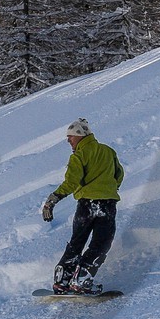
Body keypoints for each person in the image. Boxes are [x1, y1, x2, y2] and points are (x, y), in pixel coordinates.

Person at [42, 118, 125, 294]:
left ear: (80, 136)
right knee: (101, 243)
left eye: (70, 137)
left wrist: (52, 200)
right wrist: (109, 189)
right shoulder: (108, 152)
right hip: (107, 206)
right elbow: (119, 174)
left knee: (77, 242)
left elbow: (71, 182)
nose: (68, 141)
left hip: (85, 206)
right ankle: (81, 281)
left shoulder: (79, 156)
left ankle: (62, 280)